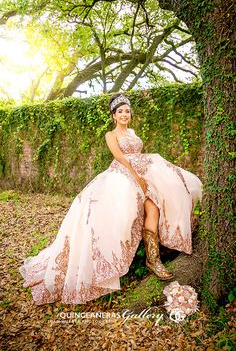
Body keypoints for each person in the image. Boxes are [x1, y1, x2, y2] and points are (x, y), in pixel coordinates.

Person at [19, 93, 203, 305]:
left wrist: (145, 175)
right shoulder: (110, 134)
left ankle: (153, 260)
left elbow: (138, 155)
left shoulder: (133, 133)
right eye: (120, 112)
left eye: (127, 111)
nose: (124, 114)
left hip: (145, 173)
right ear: (114, 116)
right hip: (123, 174)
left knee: (154, 208)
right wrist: (136, 178)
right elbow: (120, 157)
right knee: (124, 210)